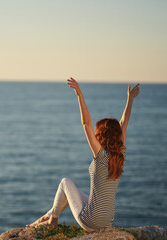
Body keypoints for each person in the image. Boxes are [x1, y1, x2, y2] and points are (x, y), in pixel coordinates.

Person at [26, 77, 140, 231]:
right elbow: (124, 123)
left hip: (90, 221)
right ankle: (49, 215)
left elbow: (86, 123)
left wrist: (79, 94)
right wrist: (130, 99)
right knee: (74, 193)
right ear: (116, 135)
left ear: (102, 134)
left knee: (65, 183)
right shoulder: (121, 154)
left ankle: (52, 220)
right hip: (107, 220)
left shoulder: (100, 155)